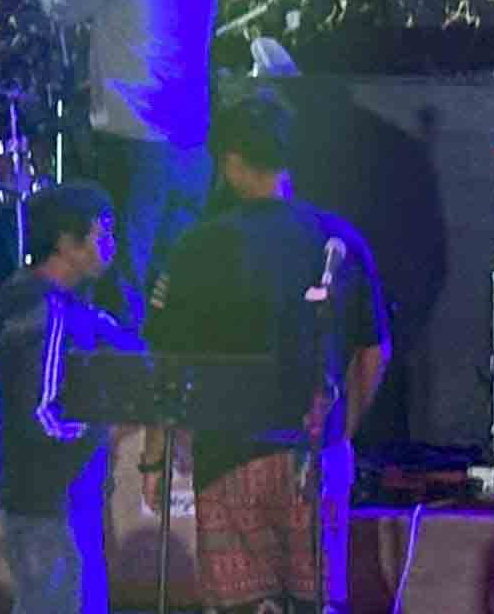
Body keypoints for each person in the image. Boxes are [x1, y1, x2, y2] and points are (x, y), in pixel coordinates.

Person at [149, 95, 386, 614]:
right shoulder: (337, 238)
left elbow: (168, 358)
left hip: (228, 457)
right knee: (316, 603)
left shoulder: (198, 246)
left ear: (231, 162)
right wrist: (341, 432)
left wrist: (155, 457)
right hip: (314, 455)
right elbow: (374, 350)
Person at [33, 0, 225, 312]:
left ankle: (124, 360)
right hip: (192, 145)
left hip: (134, 145)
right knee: (175, 285)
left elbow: (63, 8)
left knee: (124, 281)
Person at [0, 181, 138, 614]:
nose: (111, 246)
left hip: (61, 503)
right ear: (66, 242)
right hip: (48, 505)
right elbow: (43, 413)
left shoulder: (68, 308)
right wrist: (103, 432)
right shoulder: (45, 310)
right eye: (102, 233)